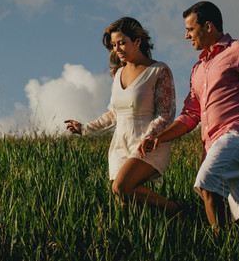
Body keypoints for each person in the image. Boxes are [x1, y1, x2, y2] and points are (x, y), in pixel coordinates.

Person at [138, 1, 239, 230]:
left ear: (208, 26)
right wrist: (160, 137)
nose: (186, 36)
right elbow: (190, 115)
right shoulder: (198, 69)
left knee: (207, 185)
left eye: (190, 29)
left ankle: (218, 246)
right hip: (213, 143)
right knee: (235, 211)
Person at [65, 17, 180, 215]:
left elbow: (165, 113)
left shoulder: (158, 70)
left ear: (137, 40)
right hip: (120, 143)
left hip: (148, 143)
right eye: (113, 45)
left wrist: (149, 136)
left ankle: (176, 210)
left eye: (122, 43)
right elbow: (114, 114)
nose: (117, 49)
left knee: (121, 186)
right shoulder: (118, 74)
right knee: (126, 204)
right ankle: (139, 237)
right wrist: (85, 128)